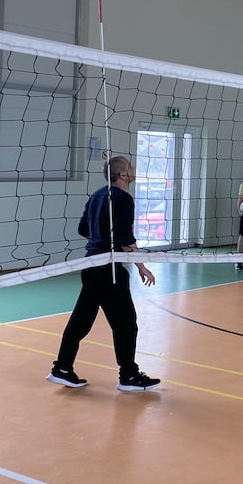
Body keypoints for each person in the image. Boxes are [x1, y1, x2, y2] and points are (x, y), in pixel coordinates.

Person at [46, 155, 161, 391]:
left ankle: (62, 368)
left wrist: (101, 239)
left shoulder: (97, 195)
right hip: (109, 270)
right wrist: (141, 266)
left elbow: (83, 229)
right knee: (126, 324)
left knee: (81, 321)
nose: (134, 169)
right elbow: (125, 238)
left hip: (91, 266)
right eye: (130, 166)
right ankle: (128, 376)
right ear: (123, 175)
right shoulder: (124, 198)